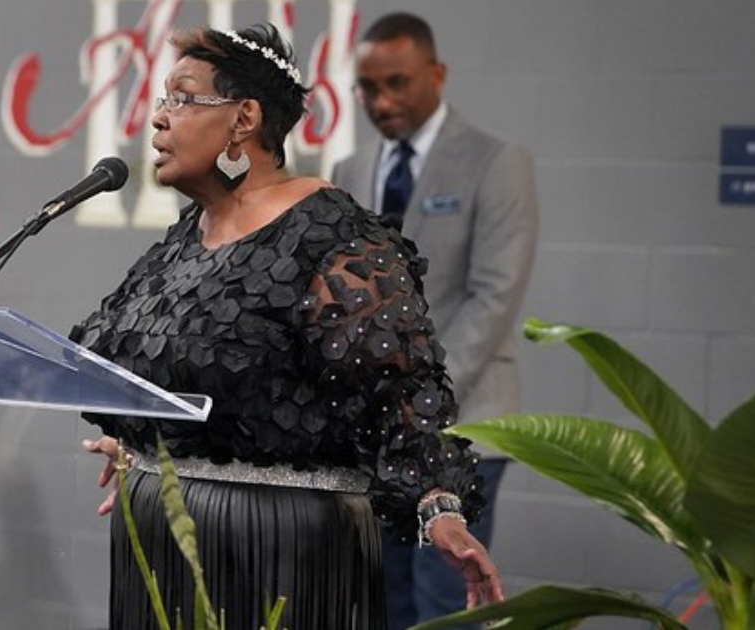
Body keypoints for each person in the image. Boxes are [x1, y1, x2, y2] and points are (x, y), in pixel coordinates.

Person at [70, 23, 503, 630]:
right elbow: (176, 371)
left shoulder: (334, 237)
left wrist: (439, 509)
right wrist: (148, 444)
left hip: (275, 552)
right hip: (166, 541)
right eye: (162, 100)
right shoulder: (186, 240)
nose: (159, 118)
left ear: (244, 118)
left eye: (181, 98)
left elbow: (400, 397)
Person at [331, 12, 539, 629]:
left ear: (437, 74)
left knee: (443, 604)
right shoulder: (350, 167)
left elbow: (494, 297)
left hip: (464, 421)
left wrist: (420, 402)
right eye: (368, 88)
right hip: (375, 435)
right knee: (382, 595)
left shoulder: (498, 162)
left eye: (397, 82)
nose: (382, 100)